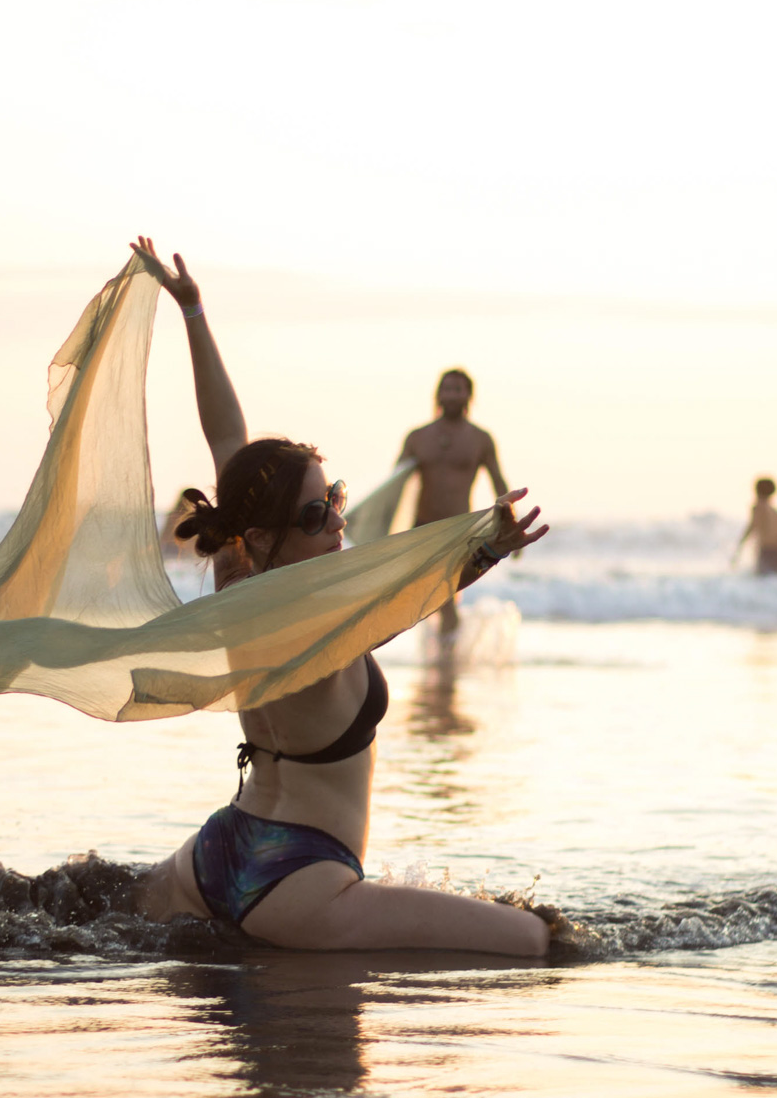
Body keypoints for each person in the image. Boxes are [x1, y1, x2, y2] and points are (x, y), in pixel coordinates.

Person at [130, 237, 550, 957]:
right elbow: (409, 597)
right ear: (265, 535)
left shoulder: (237, 570)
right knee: (538, 942)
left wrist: (194, 312)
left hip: (212, 857)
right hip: (298, 885)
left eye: (336, 502)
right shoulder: (318, 615)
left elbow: (225, 433)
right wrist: (485, 547)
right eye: (314, 516)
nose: (336, 524)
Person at [396, 368, 512, 637]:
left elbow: (498, 481)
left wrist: (509, 524)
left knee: (446, 593)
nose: (451, 394)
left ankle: (446, 655)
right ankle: (442, 650)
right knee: (427, 594)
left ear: (469, 395)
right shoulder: (417, 437)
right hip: (422, 528)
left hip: (459, 528)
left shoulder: (480, 439)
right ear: (438, 394)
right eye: (446, 388)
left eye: (457, 388)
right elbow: (395, 486)